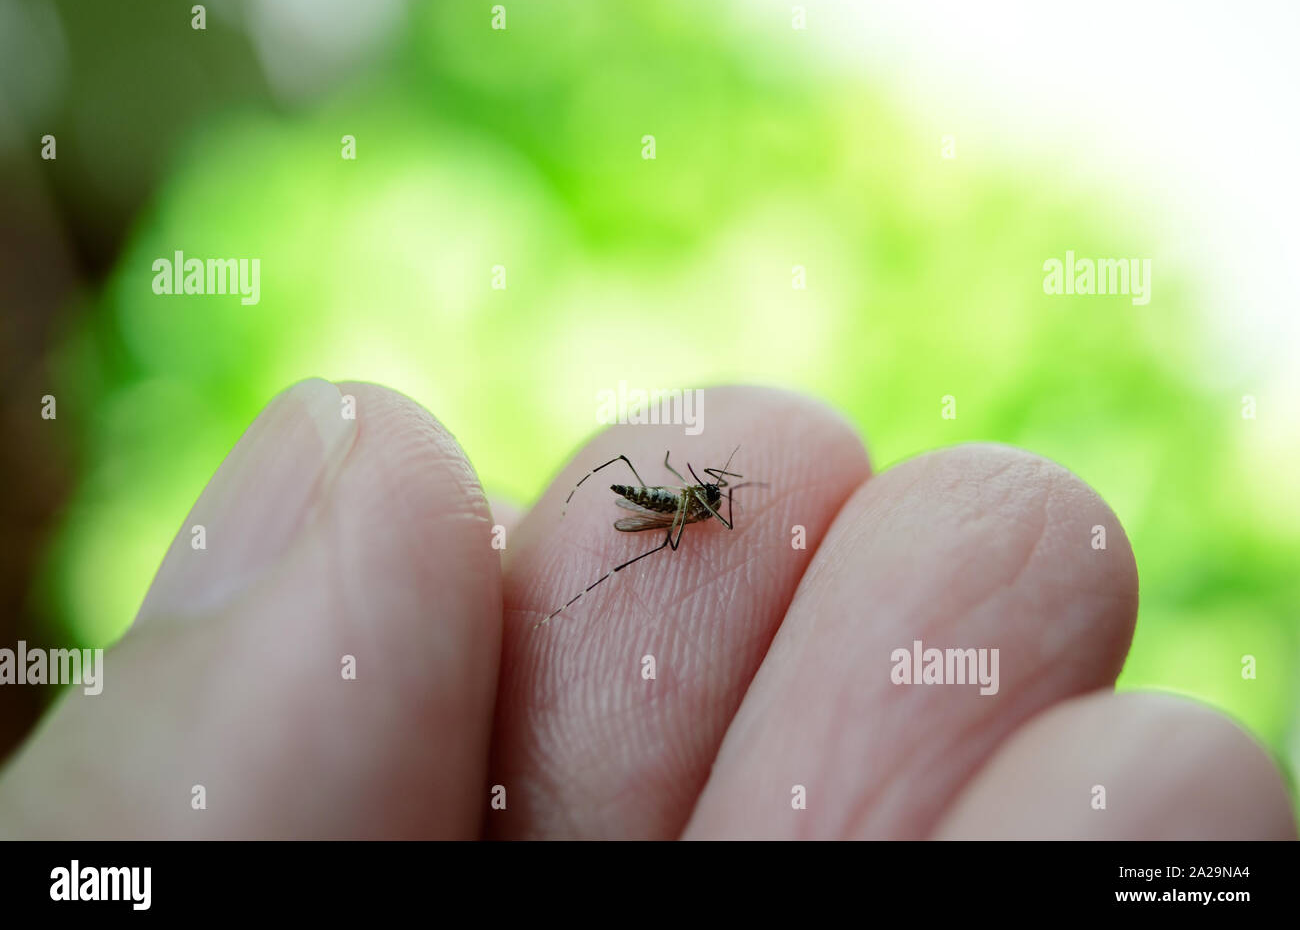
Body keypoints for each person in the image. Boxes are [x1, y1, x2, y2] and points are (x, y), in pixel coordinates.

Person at [1, 379, 1292, 839]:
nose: (702, 513)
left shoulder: (694, 507)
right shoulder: (669, 509)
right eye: (701, 504)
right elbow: (669, 511)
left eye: (704, 506)